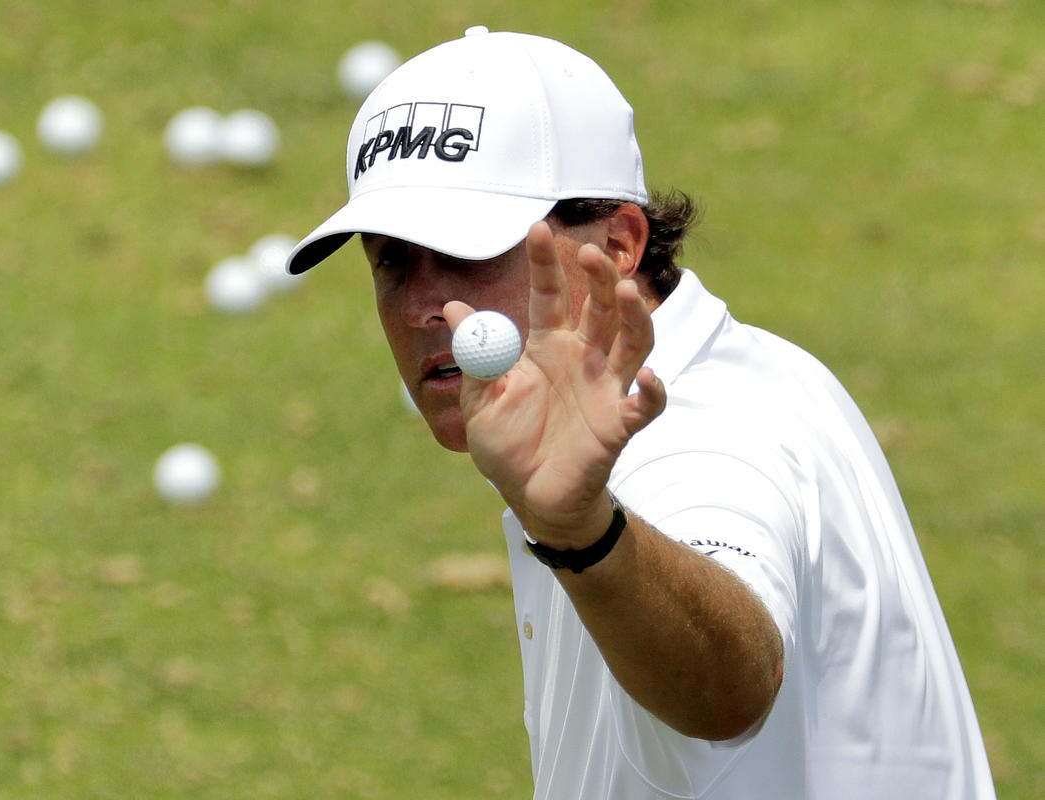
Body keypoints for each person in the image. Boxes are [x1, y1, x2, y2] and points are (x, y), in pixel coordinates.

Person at [286, 26, 997, 800]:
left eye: (468, 251)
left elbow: (730, 690)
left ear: (619, 243)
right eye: (391, 259)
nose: (423, 304)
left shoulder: (698, 437)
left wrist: (582, 536)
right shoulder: (751, 365)